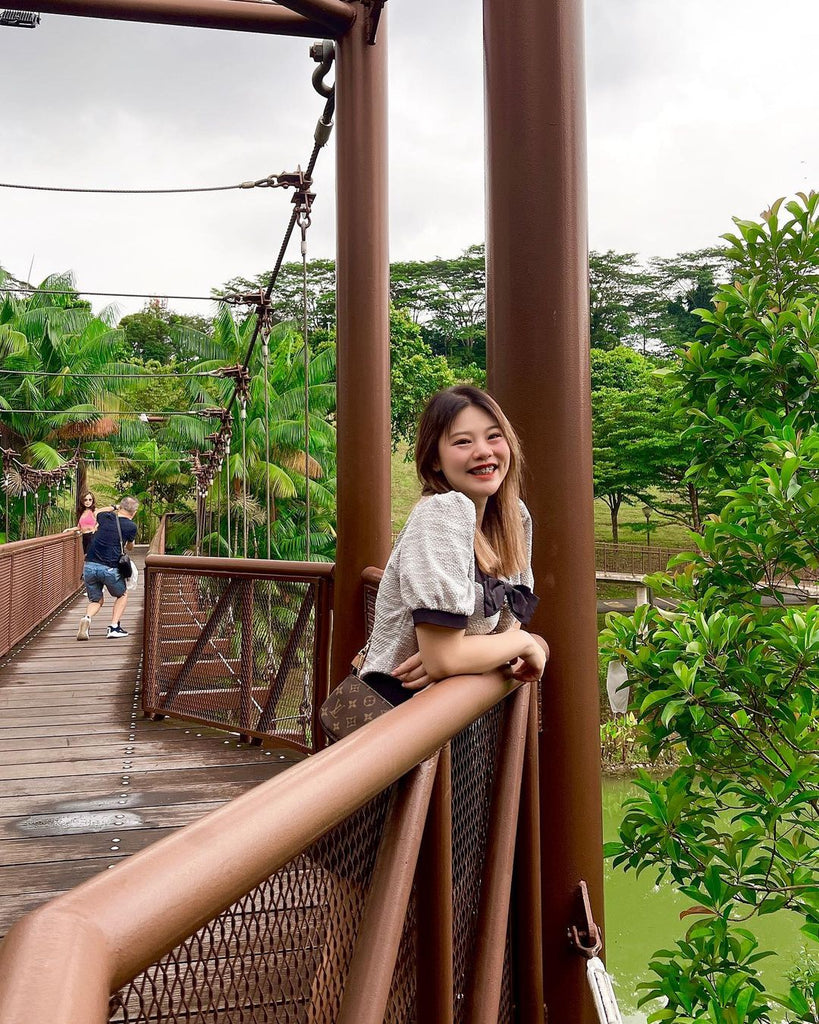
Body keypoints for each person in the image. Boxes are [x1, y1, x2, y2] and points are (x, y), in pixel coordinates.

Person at [362, 384, 548, 700]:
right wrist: (526, 644)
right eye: (463, 441)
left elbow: (504, 629)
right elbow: (445, 659)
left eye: (494, 436)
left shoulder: (512, 518)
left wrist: (460, 654)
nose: (483, 451)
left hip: (453, 715)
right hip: (398, 714)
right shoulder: (440, 514)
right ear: (435, 459)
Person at [76, 496, 139, 641]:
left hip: (89, 566)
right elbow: (130, 547)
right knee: (122, 594)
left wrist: (114, 507)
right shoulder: (131, 526)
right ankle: (114, 627)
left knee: (96, 601)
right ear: (134, 512)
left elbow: (97, 511)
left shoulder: (106, 517)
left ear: (120, 507)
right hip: (109, 568)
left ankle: (87, 618)